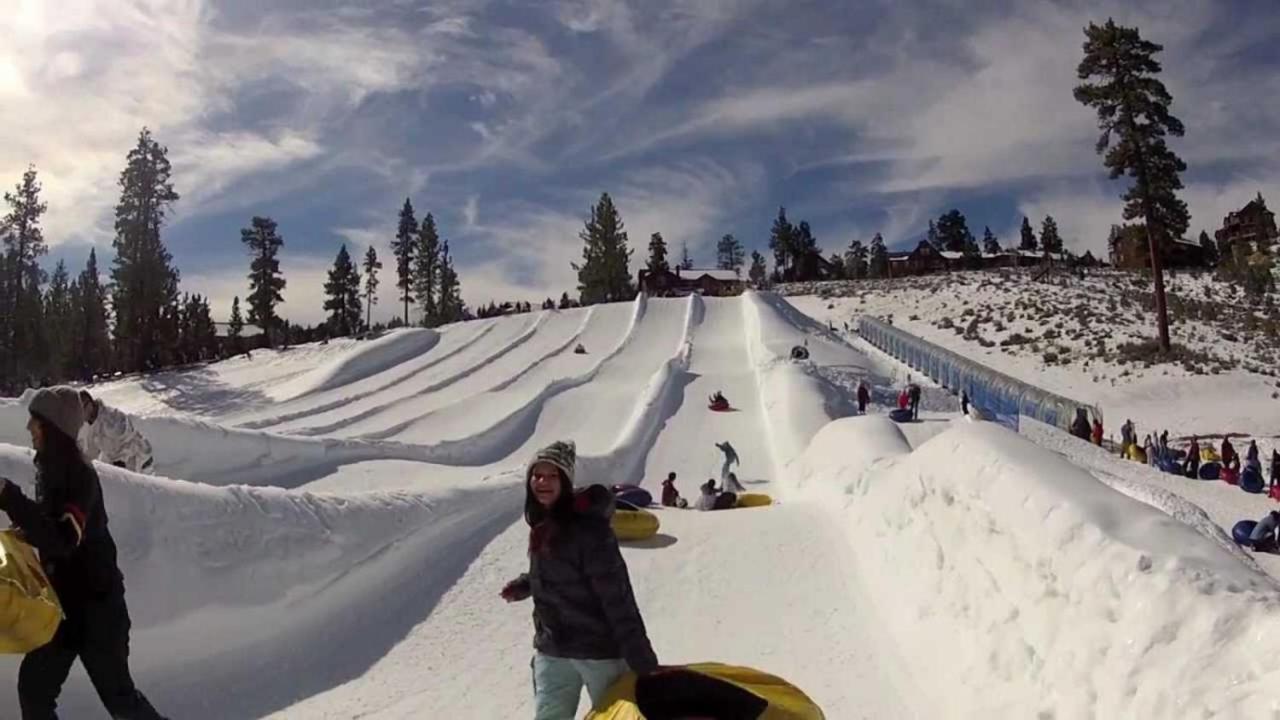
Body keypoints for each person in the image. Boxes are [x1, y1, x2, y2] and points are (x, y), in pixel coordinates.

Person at [0, 386, 168, 720]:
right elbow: (52, 528)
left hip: (98, 610)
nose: (29, 429)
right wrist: (25, 532)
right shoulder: (51, 472)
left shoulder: (80, 476)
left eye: (35, 422)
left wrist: (9, 497)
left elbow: (63, 538)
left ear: (54, 428)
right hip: (62, 609)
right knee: (34, 691)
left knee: (121, 700)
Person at [500, 440, 659, 719]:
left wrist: (642, 660)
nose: (542, 482)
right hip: (553, 649)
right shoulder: (543, 523)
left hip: (598, 653)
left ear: (565, 480)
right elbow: (557, 572)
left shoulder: (590, 531)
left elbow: (617, 597)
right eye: (537, 475)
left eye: (552, 475)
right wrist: (527, 583)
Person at [78, 391, 154, 473]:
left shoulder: (111, 418)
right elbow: (91, 451)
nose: (80, 415)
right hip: (117, 461)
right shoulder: (90, 425)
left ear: (89, 405)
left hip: (139, 459)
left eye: (81, 410)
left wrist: (121, 461)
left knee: (136, 483)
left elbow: (128, 441)